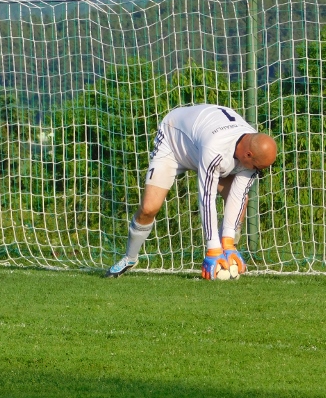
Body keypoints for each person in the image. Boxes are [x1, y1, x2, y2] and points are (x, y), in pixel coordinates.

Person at [105, 103, 278, 280]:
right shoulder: (216, 148)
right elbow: (206, 198)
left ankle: (226, 255)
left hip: (203, 146)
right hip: (173, 142)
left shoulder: (254, 148)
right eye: (258, 168)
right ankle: (130, 258)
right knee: (149, 208)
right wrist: (212, 249)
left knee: (241, 202)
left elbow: (237, 195)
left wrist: (228, 243)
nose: (258, 172)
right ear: (248, 155)